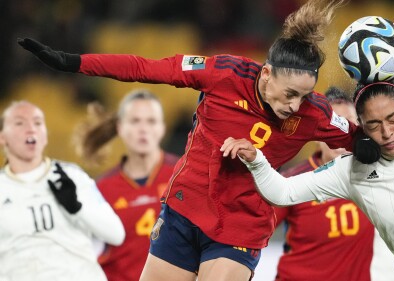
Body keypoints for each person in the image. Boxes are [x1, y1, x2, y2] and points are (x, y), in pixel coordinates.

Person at [17, 0, 357, 280]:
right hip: (184, 211)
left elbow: (369, 140)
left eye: (304, 96)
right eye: (289, 94)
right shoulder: (223, 74)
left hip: (241, 227)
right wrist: (74, 63)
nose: (295, 105)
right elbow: (145, 68)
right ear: (266, 74)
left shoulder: (316, 114)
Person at [225, 71, 394, 280]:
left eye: (393, 119)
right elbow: (281, 193)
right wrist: (257, 160)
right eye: (374, 125)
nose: (387, 132)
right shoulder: (351, 172)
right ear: (362, 129)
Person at [274, 87, 394, 281]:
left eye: (349, 126)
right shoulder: (294, 181)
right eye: (332, 126)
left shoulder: (378, 175)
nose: (340, 135)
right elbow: (252, 228)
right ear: (317, 133)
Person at [0, 101, 125, 281]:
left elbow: (116, 234)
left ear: (45, 136)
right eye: (20, 123)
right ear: (2, 137)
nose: (31, 129)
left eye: (37, 123)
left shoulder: (72, 177)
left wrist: (77, 208)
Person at [74, 90, 179, 281]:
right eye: (135, 121)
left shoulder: (184, 175)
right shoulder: (101, 190)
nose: (143, 129)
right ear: (120, 127)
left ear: (163, 128)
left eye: (151, 121)